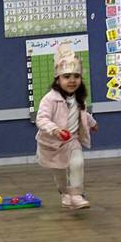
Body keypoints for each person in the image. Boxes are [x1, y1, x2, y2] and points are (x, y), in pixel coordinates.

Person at [36, 47, 98, 210]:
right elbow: (41, 118)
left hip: (71, 140)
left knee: (78, 162)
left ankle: (76, 195)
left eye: (76, 76)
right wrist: (55, 130)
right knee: (60, 174)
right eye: (67, 76)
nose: (72, 80)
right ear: (58, 80)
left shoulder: (79, 98)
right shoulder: (50, 99)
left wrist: (92, 123)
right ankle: (64, 194)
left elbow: (82, 114)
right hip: (52, 144)